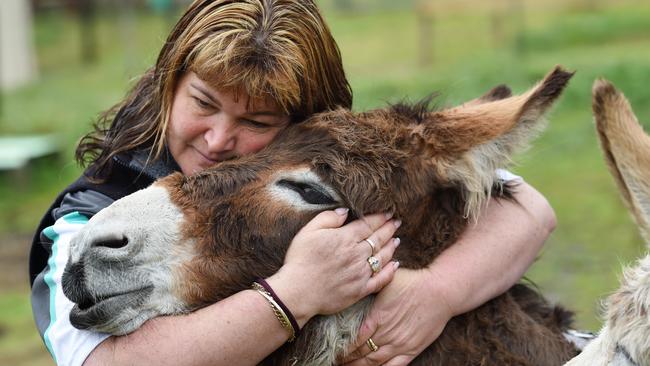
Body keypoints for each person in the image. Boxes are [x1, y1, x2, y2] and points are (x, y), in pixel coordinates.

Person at [28, 1, 556, 365]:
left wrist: (436, 293)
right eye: (203, 103)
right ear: (171, 83)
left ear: (305, 120)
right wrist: (295, 295)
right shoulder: (89, 214)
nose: (217, 141)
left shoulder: (317, 157)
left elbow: (526, 207)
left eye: (256, 122)